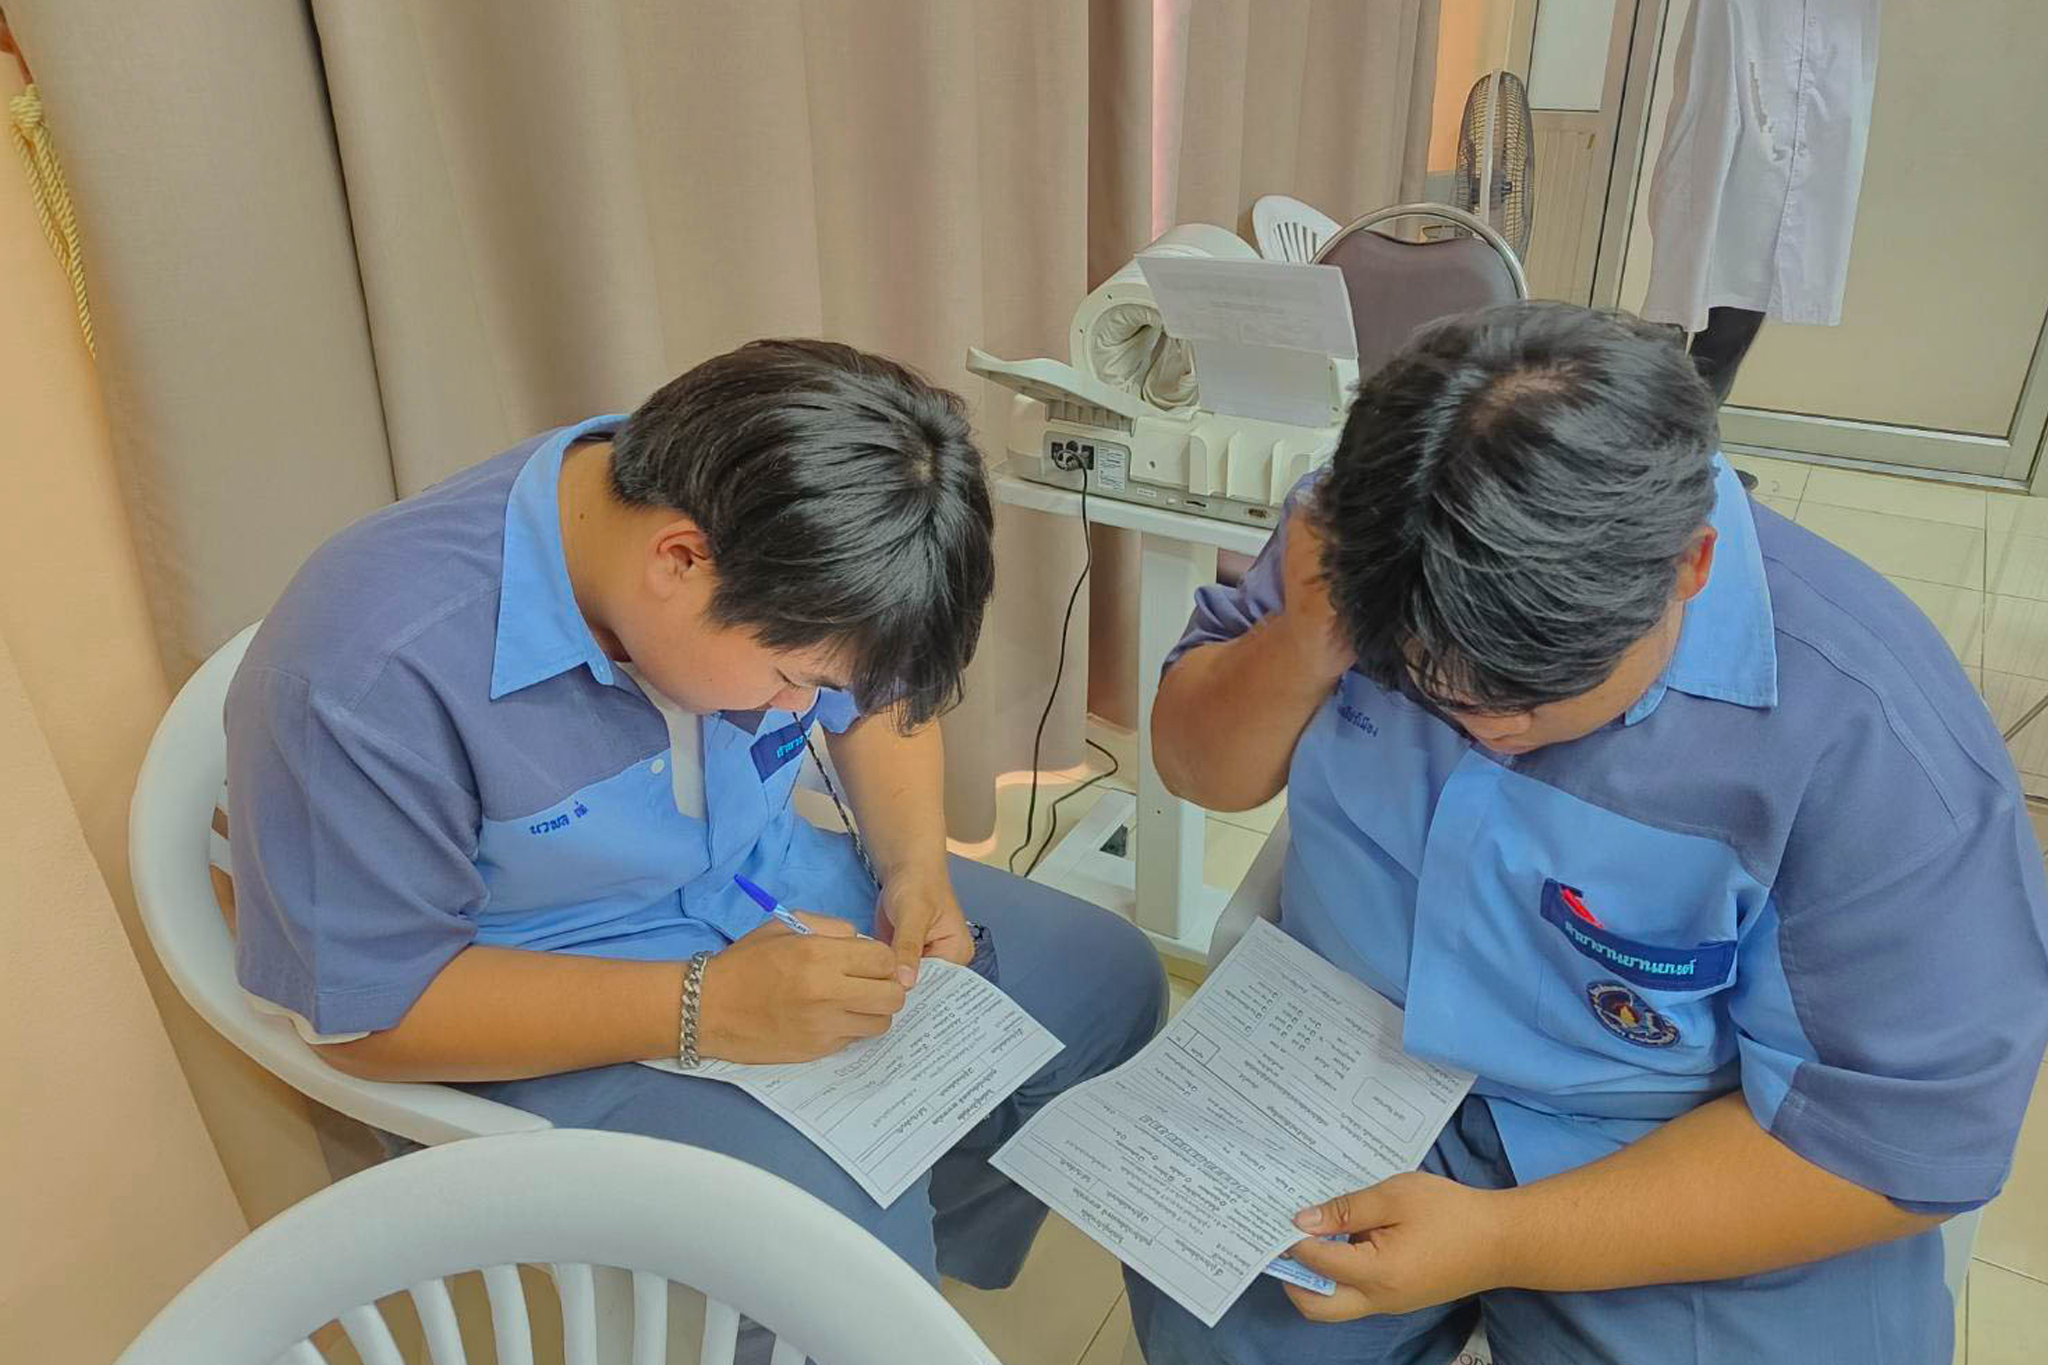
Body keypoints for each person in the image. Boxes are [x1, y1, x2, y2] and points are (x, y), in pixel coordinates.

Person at [1137, 302, 2048, 1363]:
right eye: (1416, 689)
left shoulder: (1873, 744)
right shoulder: (1365, 537)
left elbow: (1891, 1145)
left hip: (1673, 1141)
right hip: (1344, 1050)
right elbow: (1197, 767)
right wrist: (1304, 637)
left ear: (1689, 570)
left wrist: (1501, 1239)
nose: (1473, 727)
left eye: (1524, 702)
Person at [223, 338, 1166, 1288]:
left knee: (1108, 980)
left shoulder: (757, 510)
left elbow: (877, 696)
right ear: (679, 560)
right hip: (543, 993)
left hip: (763, 884)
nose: (812, 714)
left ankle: (924, 1264)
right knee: (838, 1260)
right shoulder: (365, 673)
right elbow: (367, 1017)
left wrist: (916, 866)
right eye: (797, 681)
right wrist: (704, 1006)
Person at [1640, 0, 1883, 405]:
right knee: (1684, 270)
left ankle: (1697, 443)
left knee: (1755, 273)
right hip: (1741, 40)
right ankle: (1643, 438)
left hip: (1825, 53)